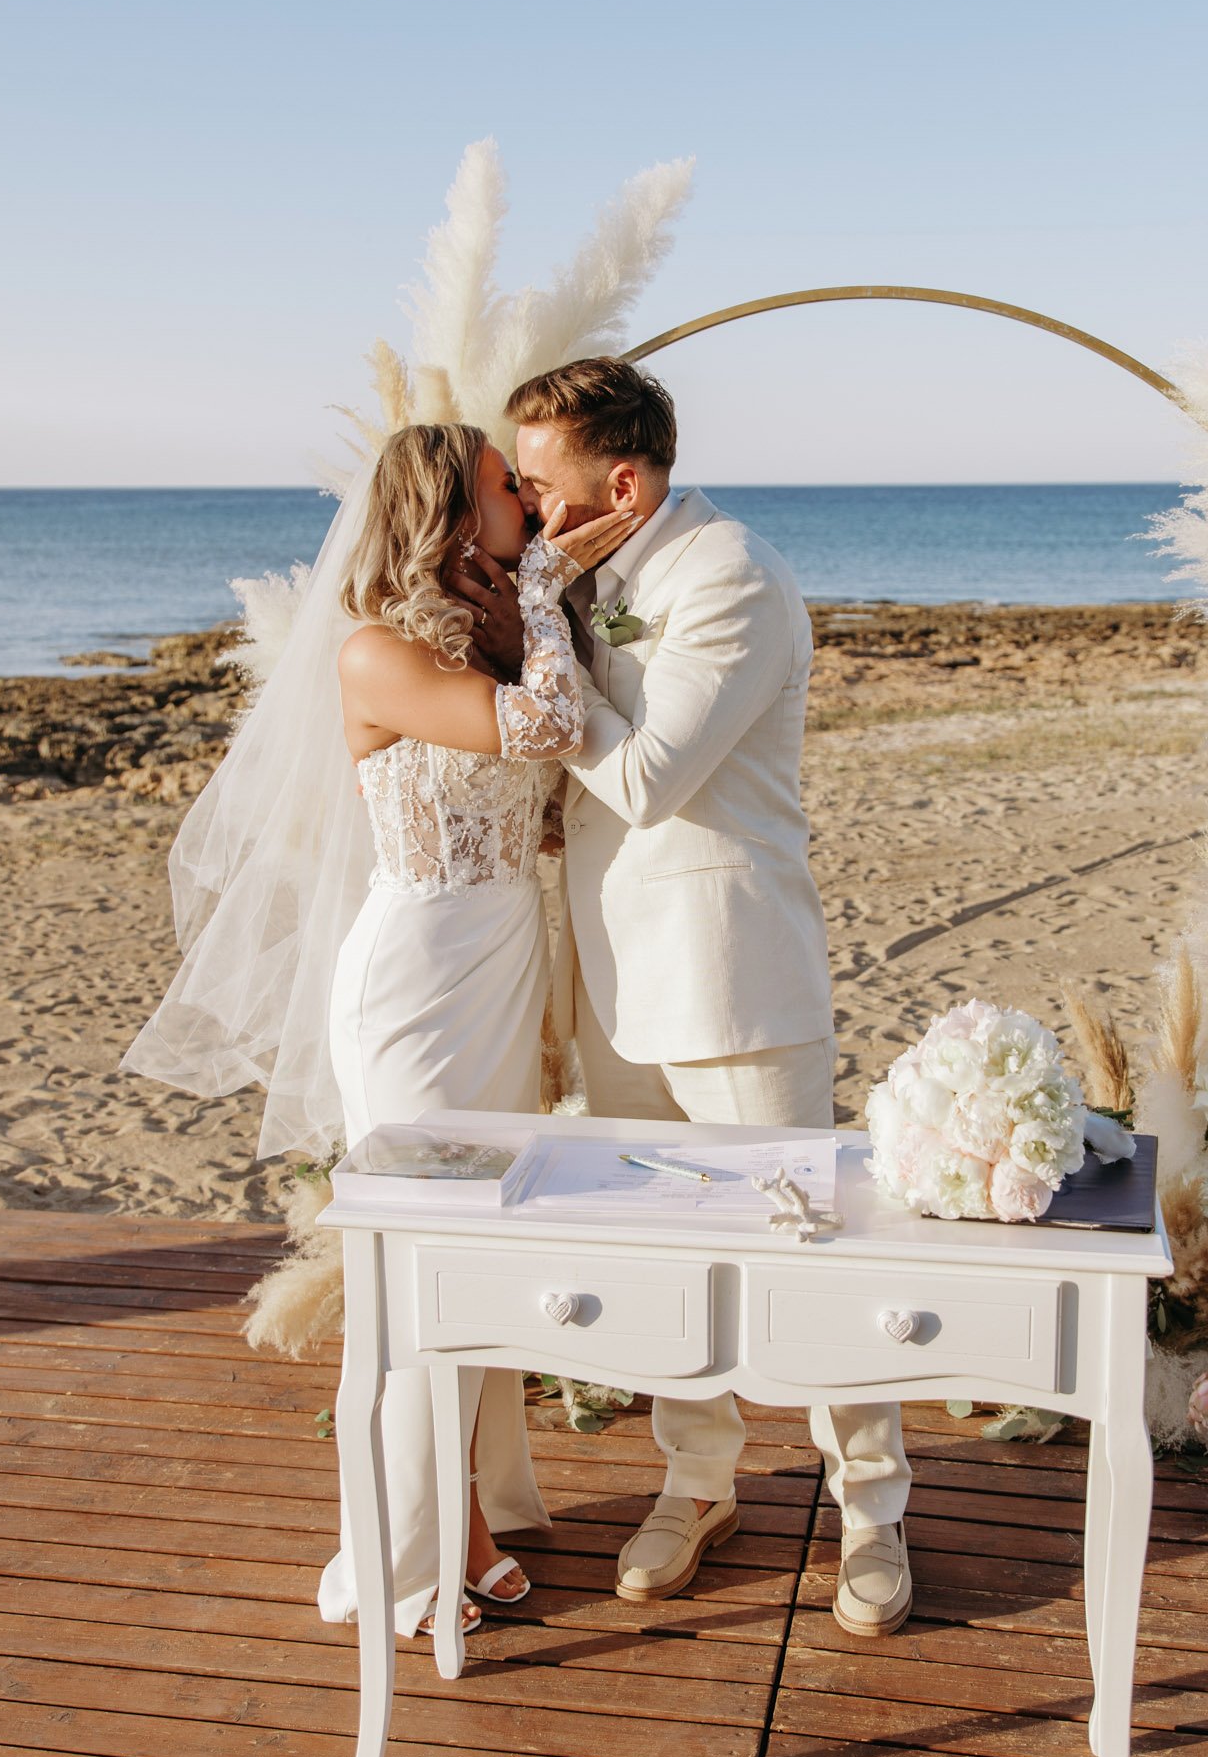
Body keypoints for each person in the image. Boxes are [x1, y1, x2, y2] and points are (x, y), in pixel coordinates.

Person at [126, 419, 636, 1639]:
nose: (529, 499)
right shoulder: (372, 653)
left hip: (504, 964)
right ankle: (415, 1540)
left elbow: (546, 794)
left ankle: (465, 1505)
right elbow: (550, 730)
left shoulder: (482, 636)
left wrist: (539, 604)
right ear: (455, 512)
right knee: (424, 1264)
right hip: (416, 984)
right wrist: (558, 591)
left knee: (485, 1255)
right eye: (506, 487)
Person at [461, 359, 913, 1637]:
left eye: (538, 486)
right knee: (660, 1247)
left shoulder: (730, 574)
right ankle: (697, 1480)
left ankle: (872, 1506)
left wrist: (545, 615)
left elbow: (650, 776)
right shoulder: (593, 570)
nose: (530, 511)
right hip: (615, 966)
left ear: (621, 478)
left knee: (812, 1249)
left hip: (734, 966)